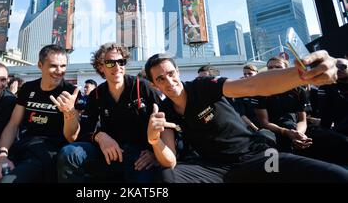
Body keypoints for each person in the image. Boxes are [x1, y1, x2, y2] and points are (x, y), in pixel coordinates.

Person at [143, 51, 348, 183]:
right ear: (154, 85)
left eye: (171, 73)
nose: (169, 81)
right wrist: (154, 142)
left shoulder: (202, 87)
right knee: (167, 176)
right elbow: (169, 160)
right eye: (161, 78)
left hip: (257, 156)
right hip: (215, 168)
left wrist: (303, 75)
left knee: (335, 176)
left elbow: (253, 85)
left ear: (178, 71)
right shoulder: (164, 110)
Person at [57, 43, 163, 183]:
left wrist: (156, 153)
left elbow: (167, 124)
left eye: (121, 62)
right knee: (69, 153)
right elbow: (83, 132)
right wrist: (99, 136)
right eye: (110, 63)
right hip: (108, 152)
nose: (117, 67)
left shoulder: (142, 87)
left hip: (141, 155)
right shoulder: (97, 95)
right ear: (101, 67)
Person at [0, 44, 80, 183]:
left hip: (47, 153)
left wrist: (69, 112)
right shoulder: (28, 88)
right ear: (40, 65)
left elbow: (72, 137)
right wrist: (2, 154)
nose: (59, 71)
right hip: (22, 147)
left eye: (63, 66)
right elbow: (13, 124)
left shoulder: (70, 91)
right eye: (53, 66)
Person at [253, 56, 348, 166]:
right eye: (270, 67)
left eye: (278, 67)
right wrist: (286, 132)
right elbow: (264, 122)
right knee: (264, 139)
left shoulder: (298, 90)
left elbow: (302, 120)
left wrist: (299, 134)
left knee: (341, 141)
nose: (274, 70)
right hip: (274, 130)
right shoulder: (260, 91)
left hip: (297, 129)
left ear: (286, 69)